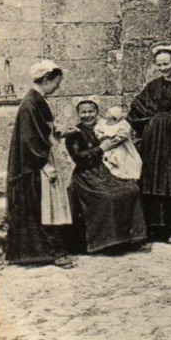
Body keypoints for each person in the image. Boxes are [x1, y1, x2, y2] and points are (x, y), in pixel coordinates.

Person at [5, 60, 75, 268]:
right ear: (45, 80)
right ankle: (46, 253)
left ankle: (52, 250)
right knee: (42, 207)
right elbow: (29, 138)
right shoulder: (30, 103)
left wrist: (61, 133)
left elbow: (42, 131)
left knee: (48, 206)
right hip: (35, 165)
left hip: (41, 158)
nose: (58, 87)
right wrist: (44, 164)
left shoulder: (37, 100)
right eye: (56, 83)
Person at [127, 43, 171, 243]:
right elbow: (137, 106)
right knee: (152, 180)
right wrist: (148, 123)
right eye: (159, 65)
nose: (163, 68)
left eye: (166, 64)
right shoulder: (153, 86)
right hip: (153, 141)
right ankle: (154, 227)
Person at [64, 98, 148, 254]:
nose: (87, 115)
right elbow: (79, 158)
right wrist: (100, 148)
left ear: (97, 113)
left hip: (108, 170)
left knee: (132, 190)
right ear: (78, 114)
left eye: (91, 111)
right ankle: (108, 243)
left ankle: (132, 239)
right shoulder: (74, 133)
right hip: (87, 175)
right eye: (83, 112)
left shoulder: (104, 127)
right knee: (108, 196)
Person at [95, 105, 142, 181]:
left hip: (120, 146)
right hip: (106, 145)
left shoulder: (122, 124)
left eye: (109, 112)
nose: (106, 113)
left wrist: (115, 139)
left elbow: (123, 134)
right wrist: (102, 137)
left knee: (121, 159)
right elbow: (98, 130)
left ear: (114, 115)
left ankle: (123, 176)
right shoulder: (102, 122)